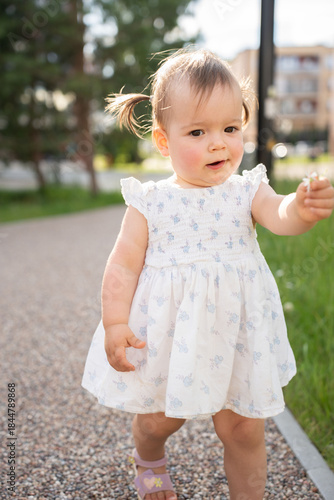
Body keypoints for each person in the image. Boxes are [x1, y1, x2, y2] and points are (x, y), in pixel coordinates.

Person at [82, 48, 334, 500]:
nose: (219, 142)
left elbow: (279, 216)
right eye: (198, 131)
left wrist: (300, 208)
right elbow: (122, 265)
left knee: (242, 429)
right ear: (164, 141)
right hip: (169, 335)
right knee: (163, 419)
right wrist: (116, 323)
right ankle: (149, 455)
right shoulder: (151, 202)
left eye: (230, 128)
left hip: (236, 333)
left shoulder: (247, 190)